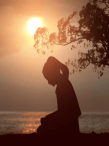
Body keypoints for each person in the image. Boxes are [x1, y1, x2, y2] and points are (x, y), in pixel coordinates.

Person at [37, 56, 81, 135]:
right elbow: (62, 111)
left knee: (41, 130)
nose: (48, 82)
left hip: (69, 124)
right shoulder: (63, 82)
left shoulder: (62, 85)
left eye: (48, 78)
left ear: (53, 75)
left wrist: (48, 118)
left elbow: (63, 114)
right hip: (69, 121)